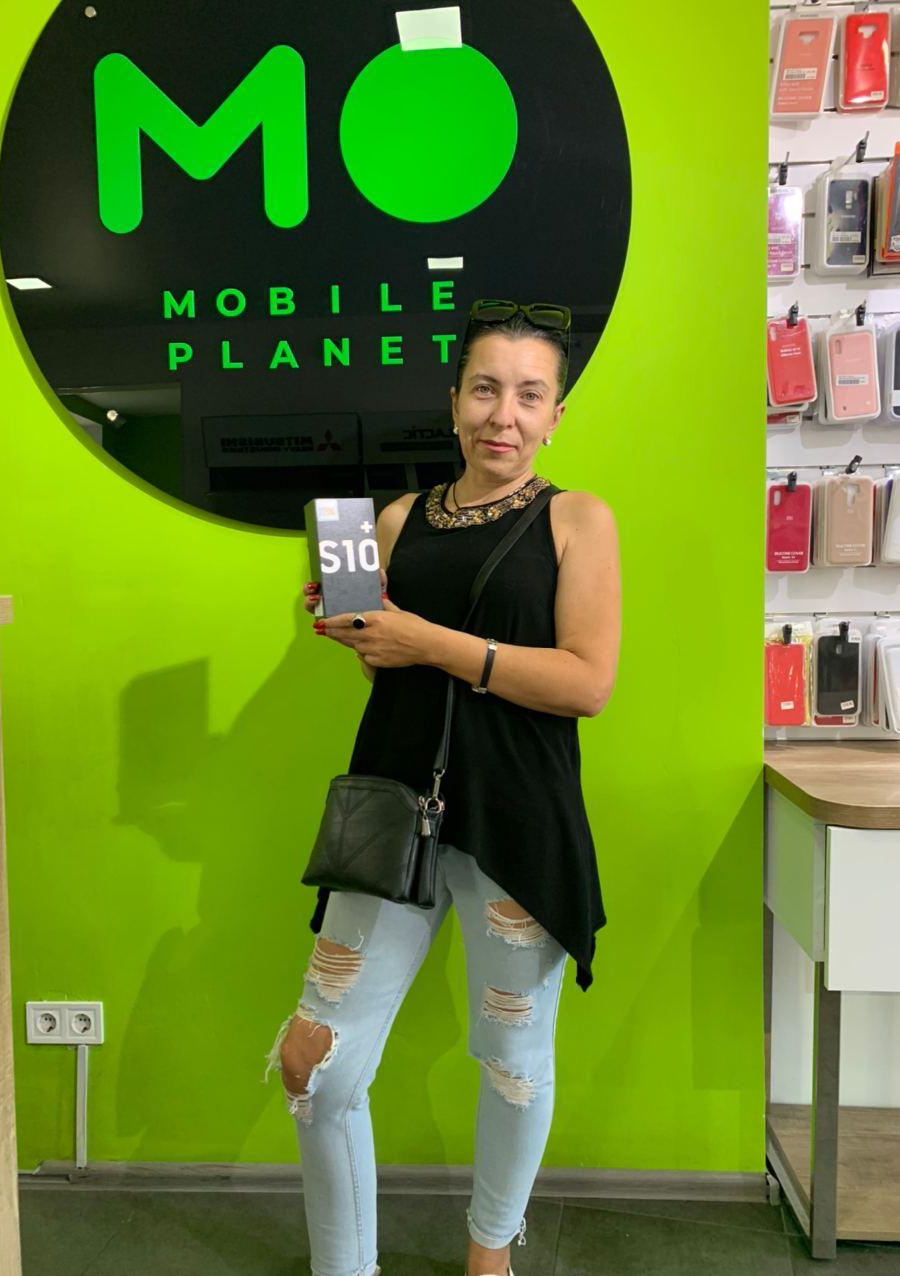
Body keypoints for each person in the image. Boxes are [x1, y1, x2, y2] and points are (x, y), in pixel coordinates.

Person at [264, 299, 622, 1276]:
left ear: (554, 415)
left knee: (511, 1064)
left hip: (517, 821)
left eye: (529, 395)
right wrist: (360, 634)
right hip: (392, 814)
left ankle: (488, 1255)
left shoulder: (577, 520)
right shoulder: (396, 520)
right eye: (484, 389)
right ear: (453, 400)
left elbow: (586, 682)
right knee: (314, 1061)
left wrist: (427, 640)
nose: (503, 414)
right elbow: (394, 671)